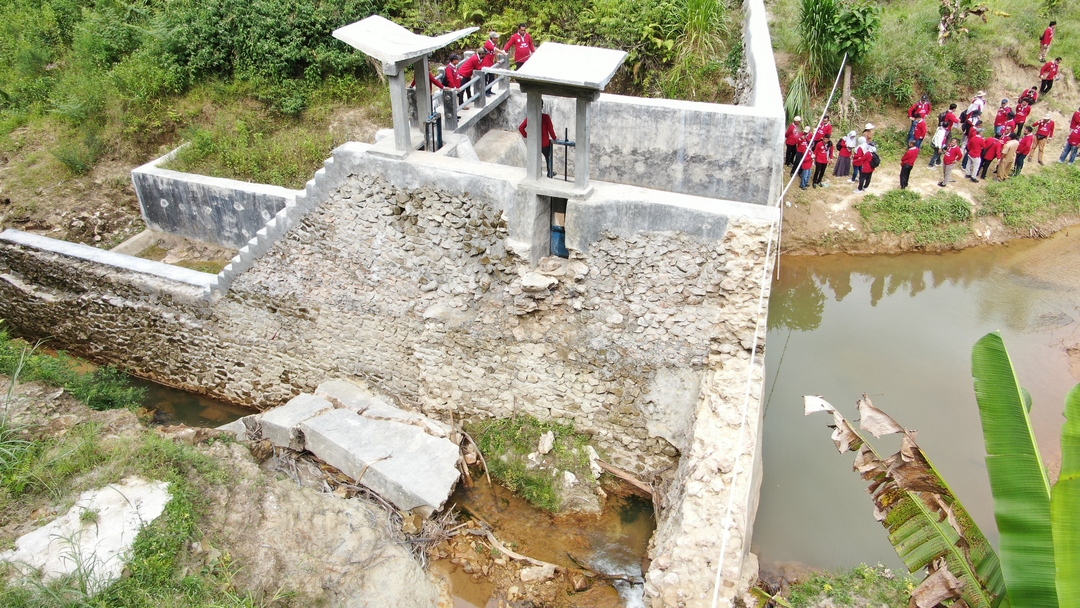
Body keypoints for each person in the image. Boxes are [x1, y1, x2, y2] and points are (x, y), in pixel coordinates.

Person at [519, 104, 558, 178]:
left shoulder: (530, 117)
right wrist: (555, 138)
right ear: (542, 106)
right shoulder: (546, 117)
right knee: (548, 156)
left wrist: (527, 136)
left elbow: (521, 128)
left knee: (534, 158)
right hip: (545, 143)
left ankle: (533, 172)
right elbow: (550, 129)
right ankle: (549, 172)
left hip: (534, 143)